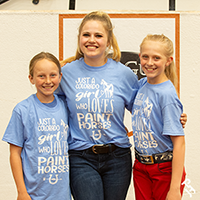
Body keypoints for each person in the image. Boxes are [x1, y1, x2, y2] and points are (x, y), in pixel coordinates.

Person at [59, 11, 187, 200]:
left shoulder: (125, 74)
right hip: (81, 156)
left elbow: (144, 108)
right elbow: (49, 103)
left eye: (98, 35)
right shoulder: (65, 73)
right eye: (86, 35)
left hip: (117, 157)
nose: (91, 40)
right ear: (79, 38)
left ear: (109, 41)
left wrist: (176, 117)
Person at [2, 52, 71, 200]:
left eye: (53, 75)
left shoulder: (65, 106)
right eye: (41, 76)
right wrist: (21, 191)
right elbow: (15, 154)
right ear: (31, 78)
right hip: (33, 195)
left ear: (60, 76)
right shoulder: (23, 110)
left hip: (62, 195)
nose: (47, 81)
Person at [132, 34, 186, 200]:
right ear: (139, 57)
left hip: (163, 169)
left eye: (156, 58)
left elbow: (179, 143)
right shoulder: (142, 85)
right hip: (141, 167)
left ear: (168, 60)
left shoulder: (167, 95)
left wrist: (175, 188)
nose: (149, 63)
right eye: (145, 57)